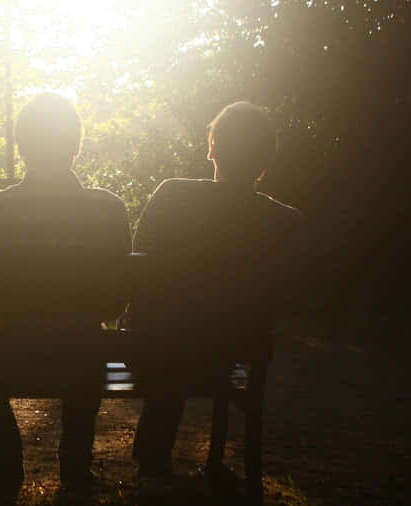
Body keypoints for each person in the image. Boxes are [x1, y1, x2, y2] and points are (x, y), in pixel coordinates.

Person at [0, 93, 132, 494]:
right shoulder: (108, 210)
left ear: (21, 147)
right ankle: (75, 463)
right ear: (76, 145)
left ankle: (3, 463)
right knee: (90, 339)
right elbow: (114, 303)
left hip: (5, 353)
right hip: (81, 355)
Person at [127, 101, 302, 477]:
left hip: (153, 352)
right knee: (189, 342)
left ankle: (153, 460)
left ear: (212, 149)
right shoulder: (284, 223)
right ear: (265, 161)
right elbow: (286, 300)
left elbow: (135, 268)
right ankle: (170, 462)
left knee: (170, 343)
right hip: (234, 357)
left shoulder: (173, 195)